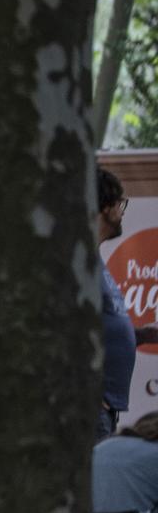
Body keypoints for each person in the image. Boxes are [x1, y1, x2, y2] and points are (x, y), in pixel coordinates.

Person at [96, 169, 158, 441]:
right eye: (120, 204)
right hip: (94, 407)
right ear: (106, 207)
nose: (122, 211)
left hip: (107, 408)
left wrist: (142, 334)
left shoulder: (95, 263)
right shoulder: (80, 265)